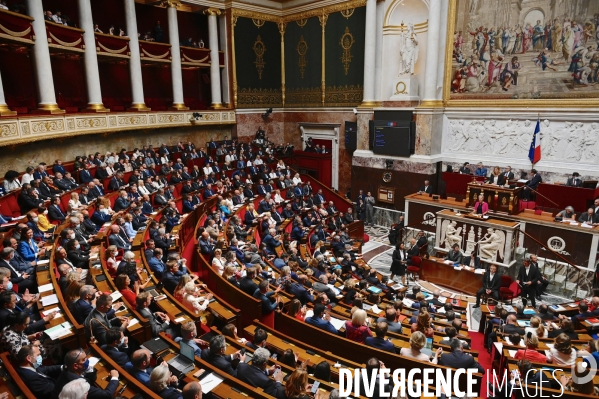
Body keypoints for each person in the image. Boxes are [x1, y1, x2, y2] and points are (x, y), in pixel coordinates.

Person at [54, 348, 119, 399]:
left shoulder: (66, 372)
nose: (87, 360)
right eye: (84, 359)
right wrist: (114, 377)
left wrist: (89, 369)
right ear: (75, 366)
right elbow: (107, 395)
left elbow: (88, 378)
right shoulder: (78, 385)